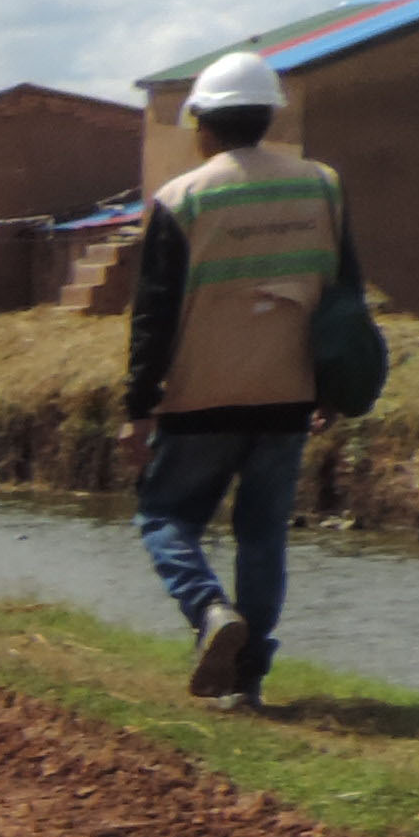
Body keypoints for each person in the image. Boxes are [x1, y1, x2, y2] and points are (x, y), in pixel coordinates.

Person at [123, 46, 362, 709]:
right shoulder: (322, 186)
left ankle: (209, 613)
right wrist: (333, 388)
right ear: (268, 118)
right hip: (288, 395)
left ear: (204, 123)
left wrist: (139, 408)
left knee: (163, 516)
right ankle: (248, 682)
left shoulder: (182, 199)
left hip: (200, 396)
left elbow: (154, 317)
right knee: (262, 537)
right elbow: (346, 299)